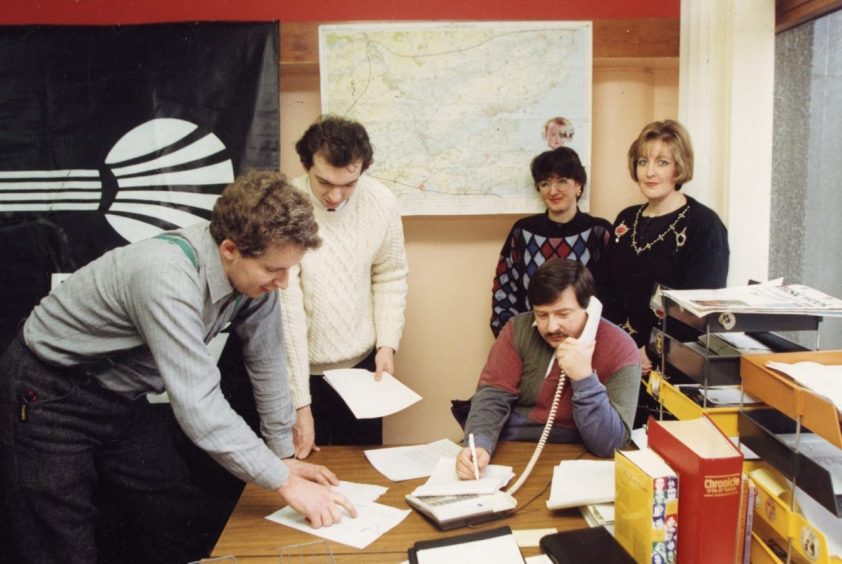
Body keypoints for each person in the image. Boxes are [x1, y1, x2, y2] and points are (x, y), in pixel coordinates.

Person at [0, 171, 357, 564]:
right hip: (49, 393)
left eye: (290, 269)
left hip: (121, 397)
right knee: (59, 542)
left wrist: (282, 455)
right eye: (275, 270)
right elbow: (199, 405)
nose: (284, 283)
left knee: (171, 508)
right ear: (229, 249)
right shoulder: (165, 275)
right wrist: (282, 480)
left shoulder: (255, 283)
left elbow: (267, 361)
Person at [280, 115, 409, 458]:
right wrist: (300, 403)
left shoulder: (381, 202)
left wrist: (387, 346)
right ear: (306, 164)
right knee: (304, 468)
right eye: (324, 182)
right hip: (299, 369)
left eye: (349, 184)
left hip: (362, 368)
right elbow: (286, 307)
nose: (335, 195)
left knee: (362, 471)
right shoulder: (284, 206)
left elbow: (390, 275)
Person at [456, 259, 640, 479]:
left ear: (589, 307)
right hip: (511, 447)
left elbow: (610, 444)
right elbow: (492, 395)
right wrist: (480, 444)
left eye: (563, 314)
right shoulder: (518, 329)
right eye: (542, 315)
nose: (551, 327)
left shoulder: (622, 348)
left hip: (580, 458)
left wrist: (583, 379)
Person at [598, 120, 729, 427]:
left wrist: (651, 352)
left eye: (662, 162)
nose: (650, 172)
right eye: (643, 162)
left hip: (672, 372)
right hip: (619, 364)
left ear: (679, 168)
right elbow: (602, 288)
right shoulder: (625, 221)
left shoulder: (703, 226)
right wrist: (618, 348)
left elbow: (700, 308)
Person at [491, 146, 611, 336]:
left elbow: (611, 295)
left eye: (562, 181)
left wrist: (594, 340)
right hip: (531, 341)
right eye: (545, 183)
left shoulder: (599, 232)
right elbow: (504, 291)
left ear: (578, 185)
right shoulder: (522, 231)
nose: (553, 191)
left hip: (587, 342)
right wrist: (512, 340)